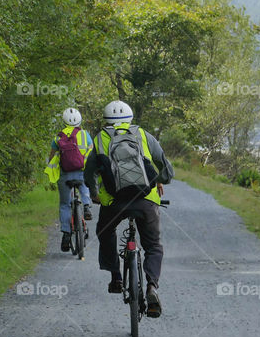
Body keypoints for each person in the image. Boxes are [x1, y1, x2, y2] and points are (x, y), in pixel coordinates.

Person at [83, 100, 174, 317]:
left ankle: (116, 276)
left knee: (105, 232)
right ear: (131, 118)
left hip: (115, 202)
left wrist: (95, 194)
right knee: (153, 246)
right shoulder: (144, 135)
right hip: (146, 200)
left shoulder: (100, 139)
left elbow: (89, 173)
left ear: (106, 119)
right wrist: (158, 180)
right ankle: (151, 285)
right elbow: (166, 169)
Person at [44, 107, 94, 252]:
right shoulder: (85, 135)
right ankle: (86, 205)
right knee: (85, 185)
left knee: (65, 204)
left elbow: (52, 156)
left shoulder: (58, 137)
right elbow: (91, 151)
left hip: (65, 175)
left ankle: (66, 234)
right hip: (82, 172)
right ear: (80, 120)